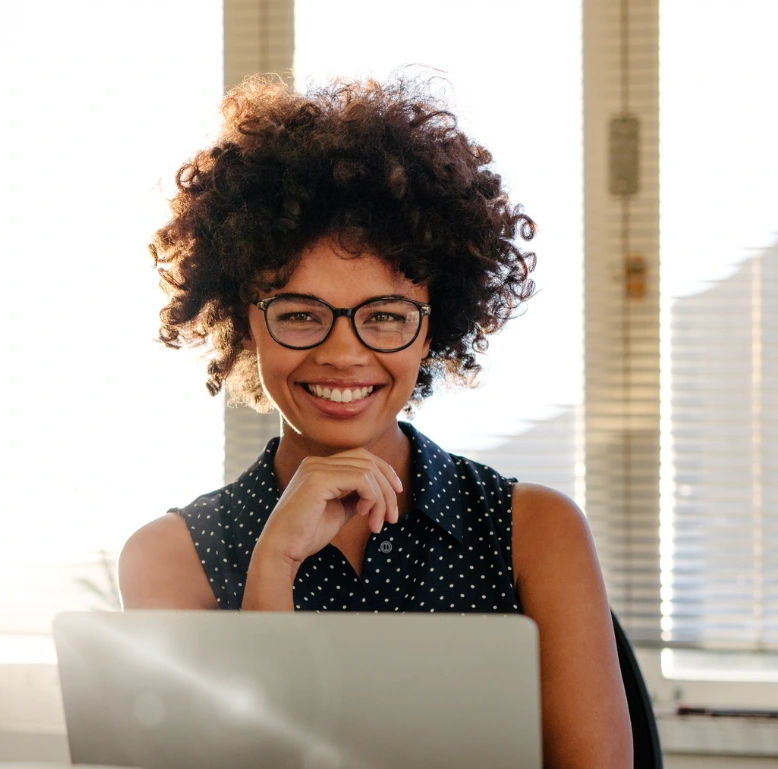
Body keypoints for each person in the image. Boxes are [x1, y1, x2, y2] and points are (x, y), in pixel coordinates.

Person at [118, 75, 633, 769]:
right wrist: (273, 567)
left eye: (385, 316)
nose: (342, 352)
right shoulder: (169, 557)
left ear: (432, 328)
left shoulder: (536, 534)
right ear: (248, 323)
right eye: (300, 313)